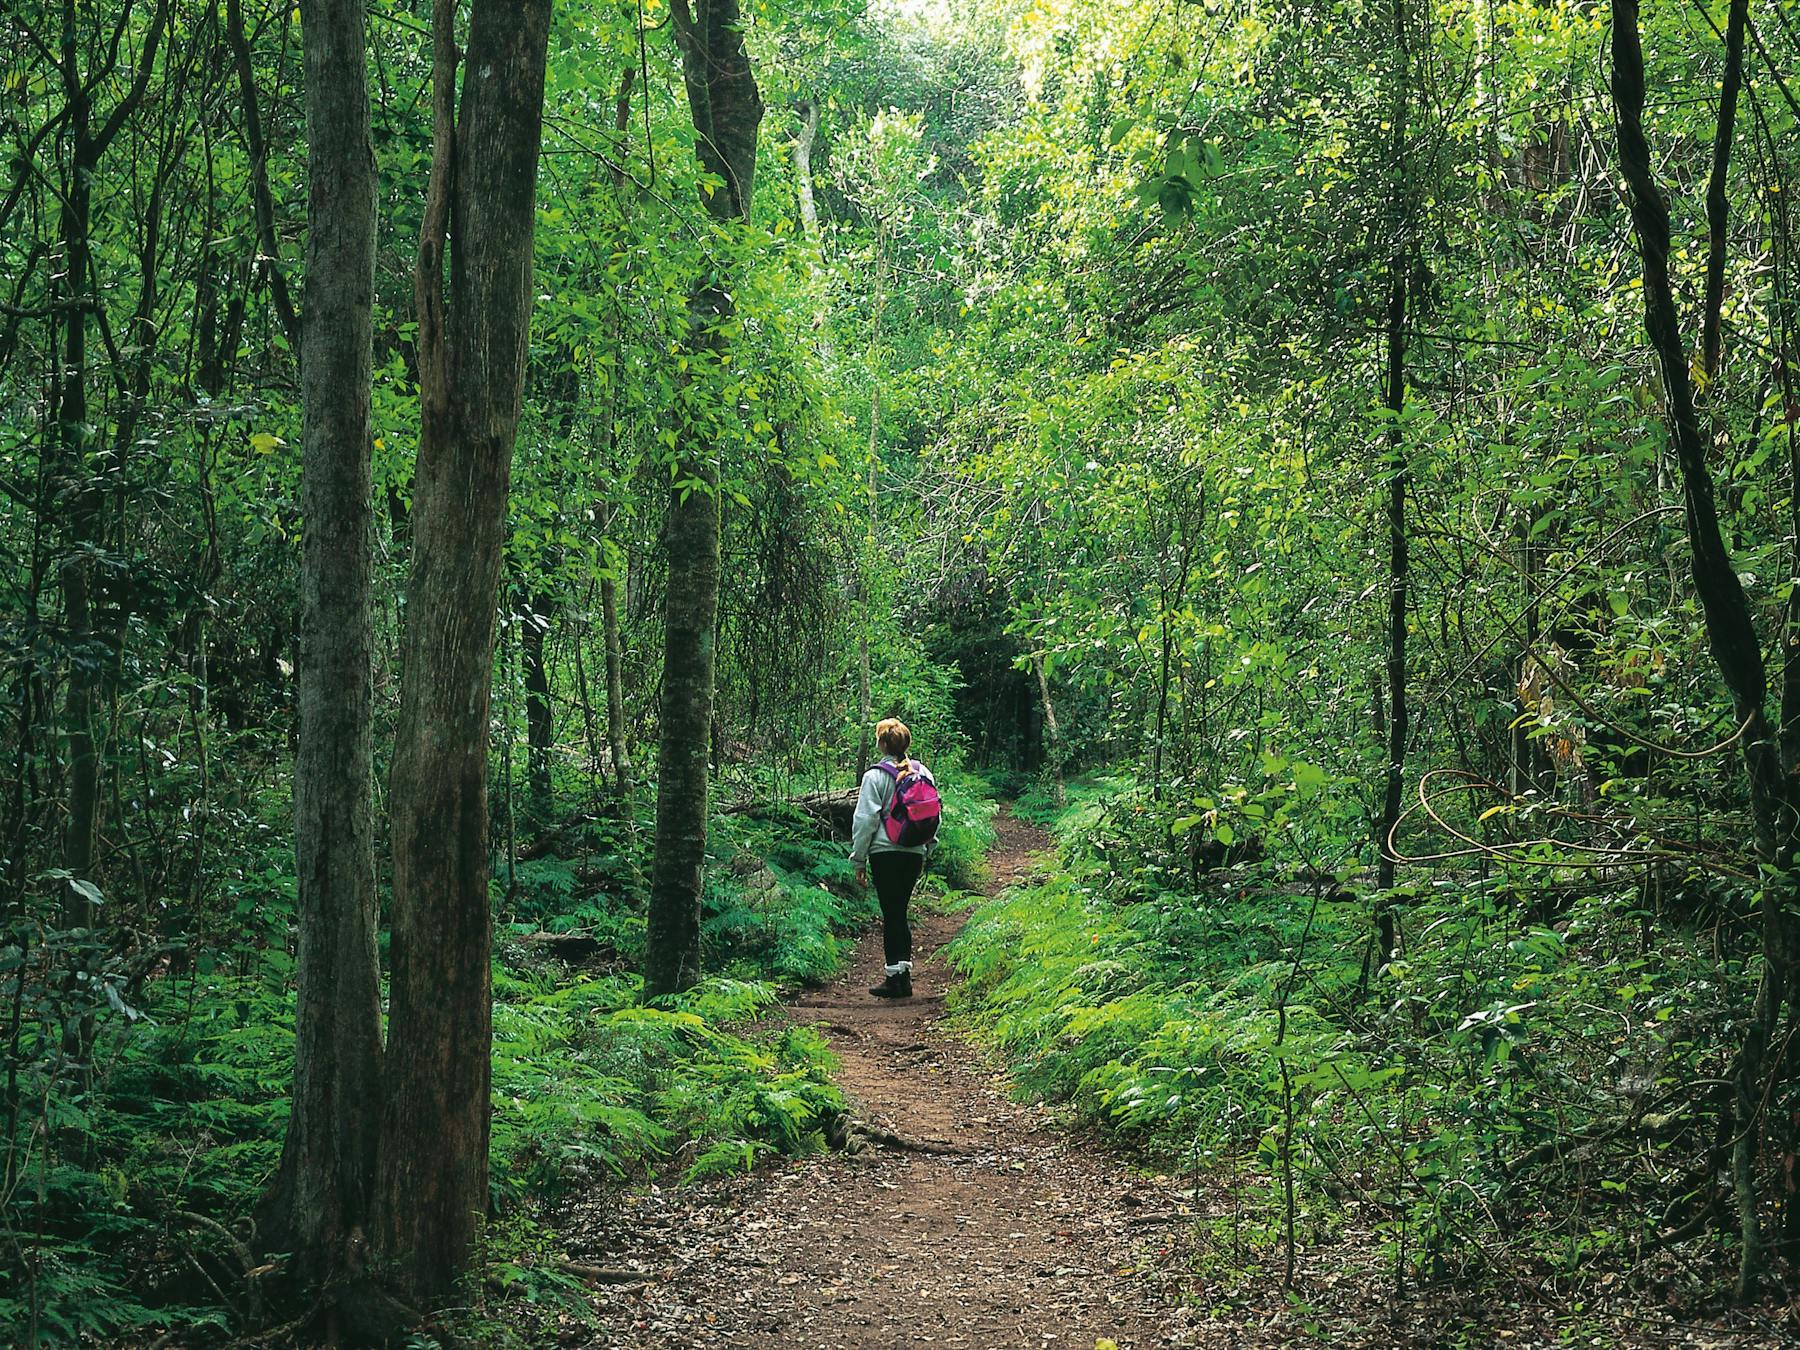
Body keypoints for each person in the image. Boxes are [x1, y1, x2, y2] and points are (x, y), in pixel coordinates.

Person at [850, 718, 936, 999]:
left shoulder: (874, 776)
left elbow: (865, 820)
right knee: (900, 910)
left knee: (892, 913)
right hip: (913, 851)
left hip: (884, 852)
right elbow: (933, 814)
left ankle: (894, 978)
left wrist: (858, 859)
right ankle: (903, 976)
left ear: (883, 744)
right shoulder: (923, 772)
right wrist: (927, 848)